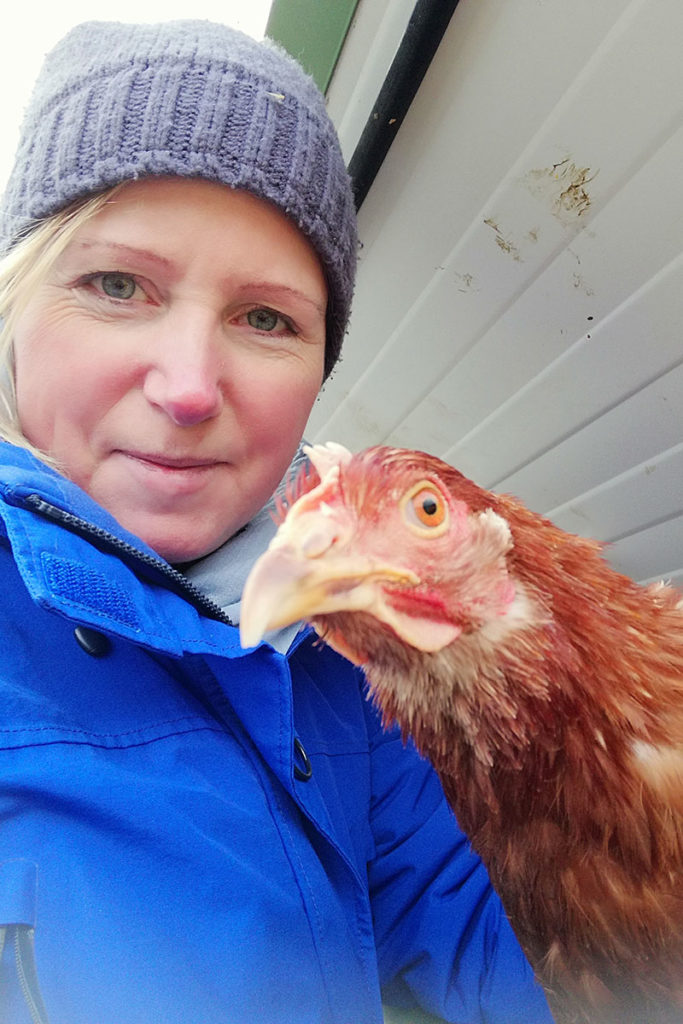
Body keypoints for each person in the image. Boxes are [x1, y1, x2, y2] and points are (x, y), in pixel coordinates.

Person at [0, 19, 554, 1024]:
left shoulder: (334, 652)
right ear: (14, 313)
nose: (186, 387)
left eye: (266, 318)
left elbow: (461, 913)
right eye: (116, 285)